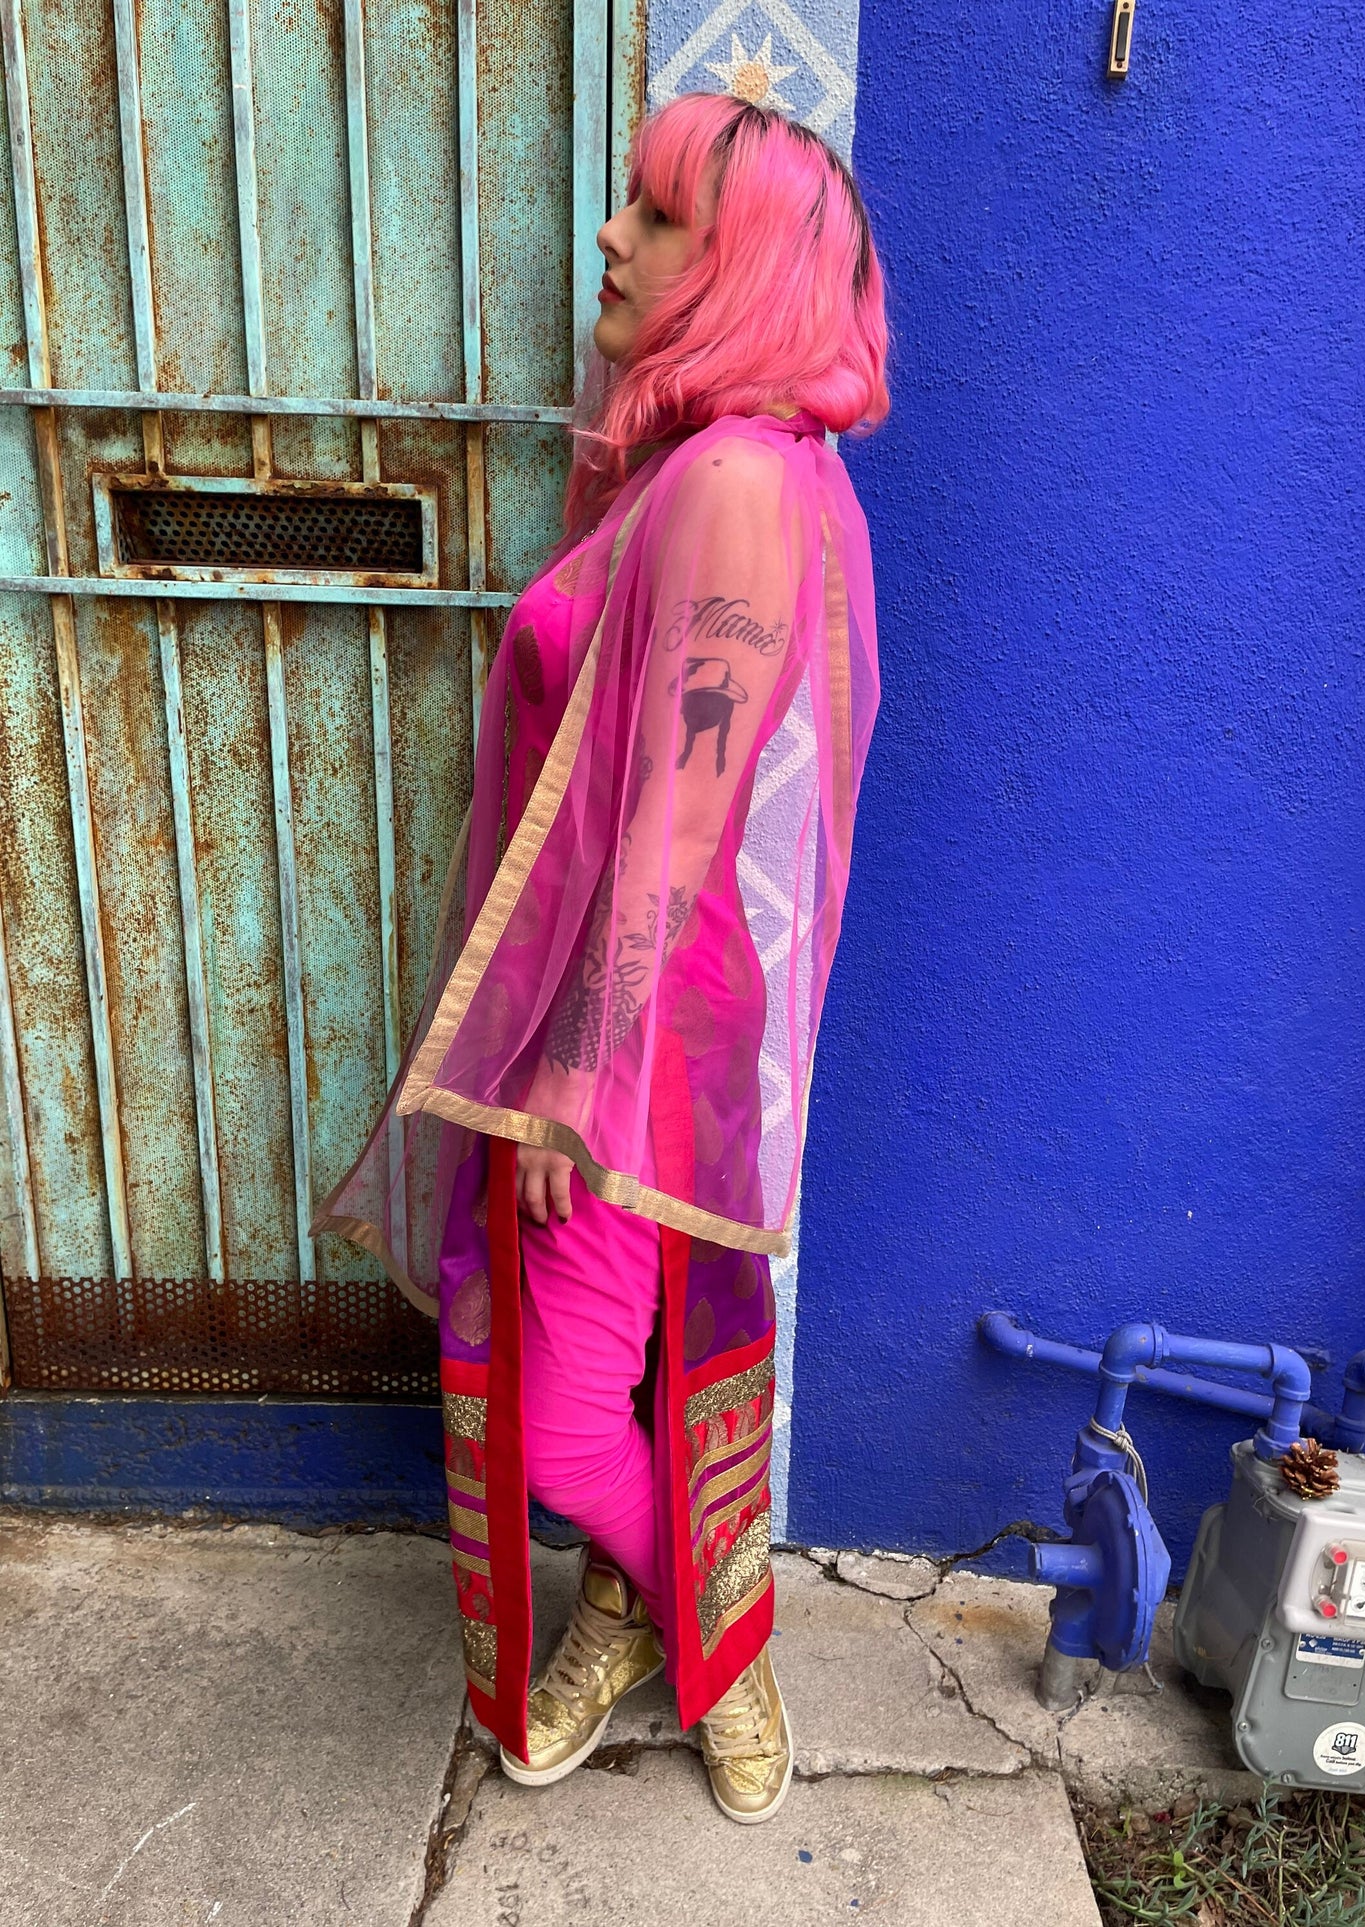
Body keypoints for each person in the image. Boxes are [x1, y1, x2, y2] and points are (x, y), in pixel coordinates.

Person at [317, 89, 886, 1825]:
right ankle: (651, 1612)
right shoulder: (699, 465)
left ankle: (715, 1637)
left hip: (627, 1035)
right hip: (622, 1009)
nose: (611, 239)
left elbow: (680, 816)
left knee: (566, 1432)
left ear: (742, 268)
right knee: (615, 1378)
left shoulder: (735, 481)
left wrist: (577, 1072)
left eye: (656, 220)